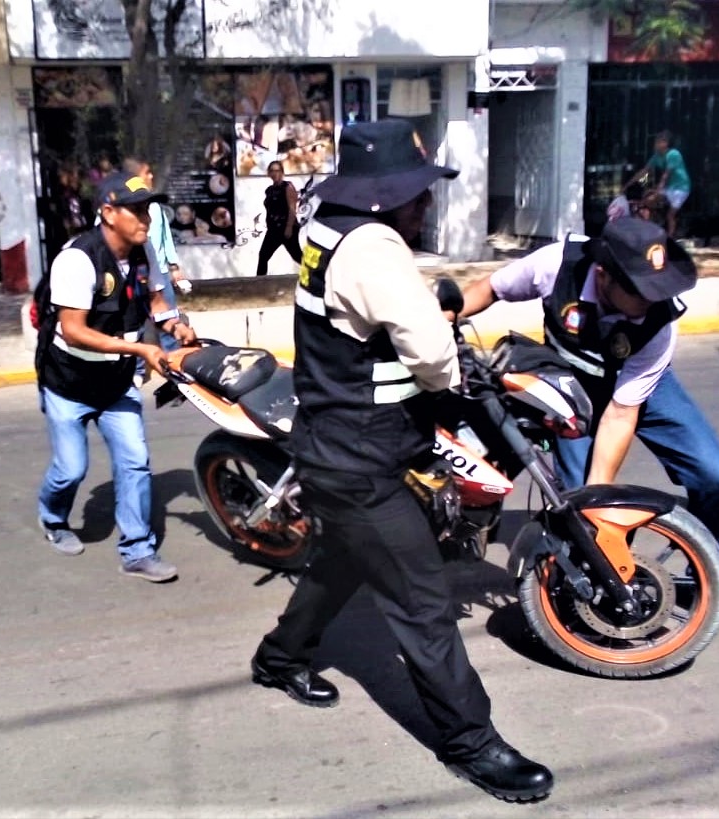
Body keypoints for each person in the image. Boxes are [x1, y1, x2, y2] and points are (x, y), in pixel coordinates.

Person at [250, 120, 554, 804]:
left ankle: (278, 658)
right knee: (422, 602)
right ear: (387, 198)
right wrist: (446, 371)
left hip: (334, 442)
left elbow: (364, 319)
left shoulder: (324, 229)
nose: (426, 204)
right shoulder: (375, 247)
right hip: (360, 458)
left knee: (345, 561)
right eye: (418, 193)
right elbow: (429, 353)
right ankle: (471, 743)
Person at [461, 216, 719, 638]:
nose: (651, 300)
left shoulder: (659, 320)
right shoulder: (555, 265)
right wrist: (437, 319)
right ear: (603, 275)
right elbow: (489, 290)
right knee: (576, 496)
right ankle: (603, 582)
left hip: (641, 387)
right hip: (572, 383)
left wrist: (600, 492)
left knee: (715, 475)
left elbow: (622, 414)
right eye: (640, 290)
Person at [35, 171, 179, 583]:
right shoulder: (77, 259)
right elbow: (74, 330)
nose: (145, 220)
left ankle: (137, 551)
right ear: (108, 212)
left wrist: (173, 326)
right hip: (69, 382)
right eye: (135, 212)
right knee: (71, 469)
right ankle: (53, 517)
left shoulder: (142, 250)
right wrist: (141, 350)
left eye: (147, 211)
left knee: (135, 462)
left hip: (115, 383)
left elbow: (153, 299)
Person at [124, 158, 194, 354]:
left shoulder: (156, 209)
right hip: (131, 278)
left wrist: (174, 267)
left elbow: (166, 239)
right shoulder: (87, 254)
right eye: (147, 172)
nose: (152, 176)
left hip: (159, 272)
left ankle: (173, 357)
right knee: (131, 326)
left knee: (167, 314)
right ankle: (135, 369)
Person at [623, 131, 691, 238]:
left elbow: (666, 174)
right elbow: (644, 172)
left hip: (681, 189)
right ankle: (652, 226)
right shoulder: (656, 156)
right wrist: (627, 185)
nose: (655, 145)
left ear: (665, 143)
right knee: (647, 199)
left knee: (670, 215)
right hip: (668, 188)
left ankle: (670, 238)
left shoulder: (673, 154)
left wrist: (659, 189)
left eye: (657, 142)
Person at [254, 160, 303, 277]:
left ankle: (320, 276)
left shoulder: (288, 187)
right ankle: (258, 284)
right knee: (263, 255)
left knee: (297, 256)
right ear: (268, 173)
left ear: (282, 172)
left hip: (286, 227)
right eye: (272, 171)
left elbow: (292, 208)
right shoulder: (269, 190)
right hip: (273, 230)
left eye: (277, 171)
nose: (275, 173)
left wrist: (289, 227)